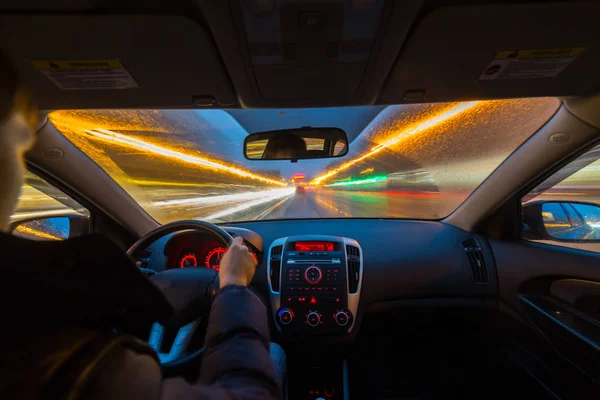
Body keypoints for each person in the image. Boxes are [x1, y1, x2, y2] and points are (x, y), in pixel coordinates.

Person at [0, 51, 283, 399]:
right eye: (19, 143)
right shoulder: (82, 365)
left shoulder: (35, 334)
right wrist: (234, 286)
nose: (27, 146)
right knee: (275, 354)